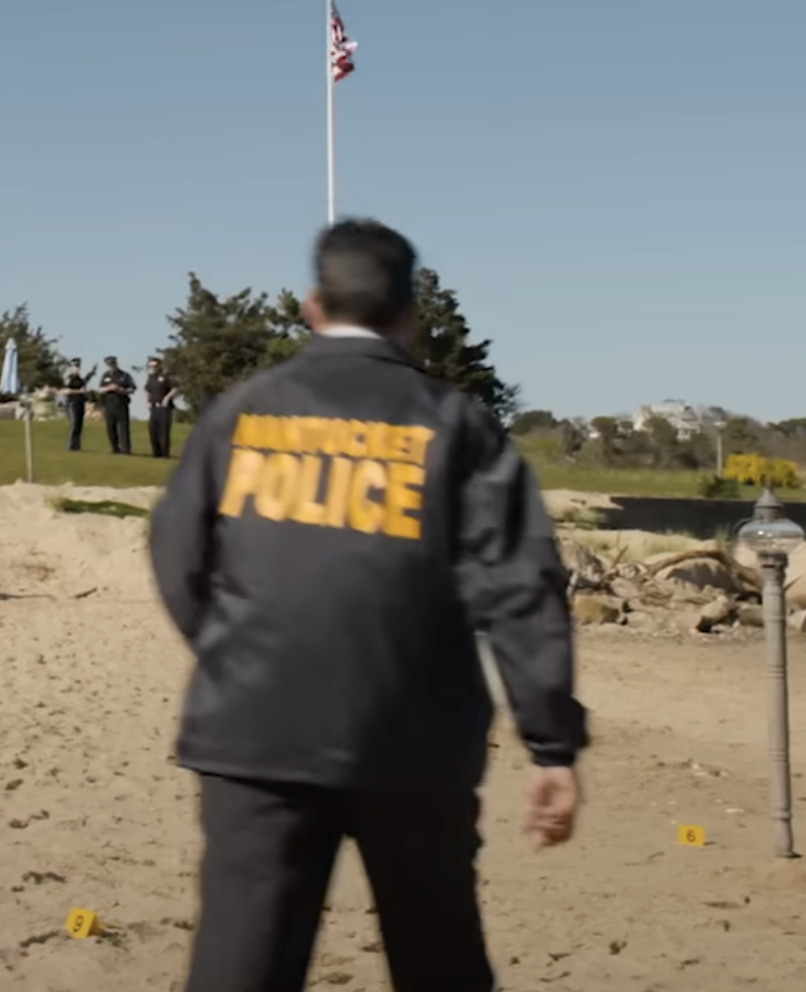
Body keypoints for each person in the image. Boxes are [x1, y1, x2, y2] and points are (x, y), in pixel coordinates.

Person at [148, 218, 587, 991]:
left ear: (312, 306)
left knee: (239, 964)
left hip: (254, 731)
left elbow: (177, 554)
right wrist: (550, 744)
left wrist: (236, 649)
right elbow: (520, 589)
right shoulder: (456, 425)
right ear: (409, 311)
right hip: (411, 735)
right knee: (437, 959)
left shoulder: (241, 414)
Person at [97, 356, 138, 455]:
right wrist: (109, 388)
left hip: (121, 404)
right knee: (111, 428)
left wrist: (121, 390)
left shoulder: (124, 375)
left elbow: (132, 389)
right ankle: (114, 448)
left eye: (113, 363)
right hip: (108, 404)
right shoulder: (105, 375)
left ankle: (126, 449)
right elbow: (99, 389)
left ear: (116, 363)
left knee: (123, 428)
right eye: (109, 364)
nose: (111, 365)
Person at [144, 356, 179, 459]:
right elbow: (147, 390)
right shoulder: (150, 377)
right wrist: (147, 401)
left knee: (163, 431)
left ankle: (164, 454)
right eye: (151, 366)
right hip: (154, 407)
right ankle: (156, 453)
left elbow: (175, 388)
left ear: (159, 366)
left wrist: (167, 398)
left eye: (155, 366)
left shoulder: (165, 376)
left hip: (164, 408)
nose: (153, 368)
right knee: (153, 430)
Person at [59, 359, 89, 452]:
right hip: (71, 403)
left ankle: (77, 445)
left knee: (79, 424)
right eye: (75, 366)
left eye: (78, 366)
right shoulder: (69, 378)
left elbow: (84, 390)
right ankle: (70, 445)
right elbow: (65, 391)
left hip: (80, 402)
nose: (76, 368)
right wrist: (79, 391)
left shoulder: (80, 379)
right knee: (74, 423)